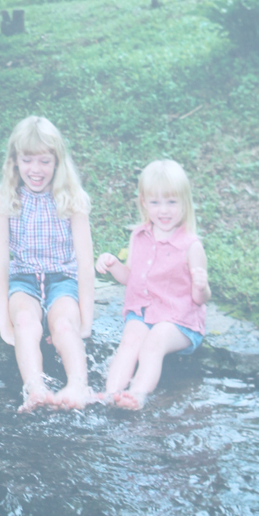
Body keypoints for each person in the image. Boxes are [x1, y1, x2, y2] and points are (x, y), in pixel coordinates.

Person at [0, 116, 95, 411]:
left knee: (63, 324)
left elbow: (86, 264)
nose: (35, 170)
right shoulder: (3, 197)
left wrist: (85, 319)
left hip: (63, 278)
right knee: (25, 322)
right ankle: (35, 388)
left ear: (58, 162)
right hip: (23, 279)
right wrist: (3, 323)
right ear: (14, 161)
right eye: (27, 160)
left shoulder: (72, 198)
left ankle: (77, 386)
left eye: (44, 161)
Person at [95, 159, 210, 409]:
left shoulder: (191, 245)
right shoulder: (139, 236)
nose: (164, 210)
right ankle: (110, 393)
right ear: (144, 203)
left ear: (184, 203)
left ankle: (137, 394)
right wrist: (114, 265)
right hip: (145, 312)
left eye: (171, 202)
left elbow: (200, 300)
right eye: (155, 202)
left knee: (153, 342)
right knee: (130, 340)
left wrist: (202, 286)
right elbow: (132, 280)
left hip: (180, 321)